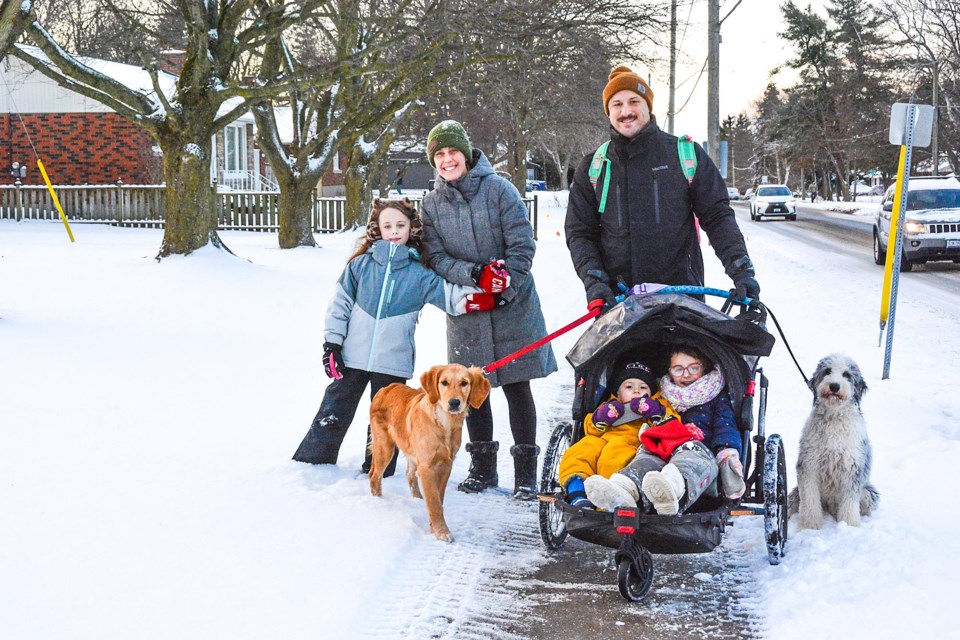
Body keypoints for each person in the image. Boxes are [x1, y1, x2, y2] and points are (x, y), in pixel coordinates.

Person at [292, 198, 488, 472]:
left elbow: (452, 296)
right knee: (334, 411)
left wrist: (486, 289)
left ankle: (378, 469)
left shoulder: (420, 274)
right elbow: (340, 305)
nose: (394, 231)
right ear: (378, 230)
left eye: (400, 225)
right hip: (352, 355)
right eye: (388, 226)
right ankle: (312, 465)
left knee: (387, 419)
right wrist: (332, 344)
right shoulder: (360, 265)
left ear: (412, 228)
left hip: (392, 362)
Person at [419, 120, 558, 500]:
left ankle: (526, 474)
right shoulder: (430, 205)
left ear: (465, 152)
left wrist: (504, 282)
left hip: (514, 306)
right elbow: (436, 258)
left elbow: (522, 244)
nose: (448, 160)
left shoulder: (500, 190)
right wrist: (474, 275)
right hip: (468, 307)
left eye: (452, 152)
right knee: (471, 390)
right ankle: (482, 469)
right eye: (440, 155)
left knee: (516, 385)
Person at [565, 66, 761, 311]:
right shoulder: (593, 166)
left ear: (648, 106)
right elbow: (580, 232)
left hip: (681, 301)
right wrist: (595, 282)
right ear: (608, 112)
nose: (626, 111)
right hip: (618, 304)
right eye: (616, 104)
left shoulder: (685, 155)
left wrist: (741, 271)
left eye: (634, 101)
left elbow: (718, 217)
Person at [584, 345, 746, 515]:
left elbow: (725, 425)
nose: (686, 374)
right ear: (669, 372)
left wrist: (726, 451)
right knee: (645, 459)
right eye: (678, 369)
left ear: (704, 368)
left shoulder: (715, 397)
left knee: (687, 460)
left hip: (699, 449)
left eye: (693, 367)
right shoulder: (662, 395)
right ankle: (624, 488)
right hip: (663, 444)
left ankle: (671, 491)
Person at [558, 357, 679, 507]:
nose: (636, 391)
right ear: (618, 392)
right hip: (605, 439)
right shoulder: (610, 405)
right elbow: (590, 429)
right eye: (629, 387)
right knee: (580, 450)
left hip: (639, 442)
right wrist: (601, 418)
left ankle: (611, 501)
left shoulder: (658, 405)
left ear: (651, 391)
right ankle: (578, 492)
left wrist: (655, 412)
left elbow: (675, 424)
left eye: (643, 387)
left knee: (615, 458)